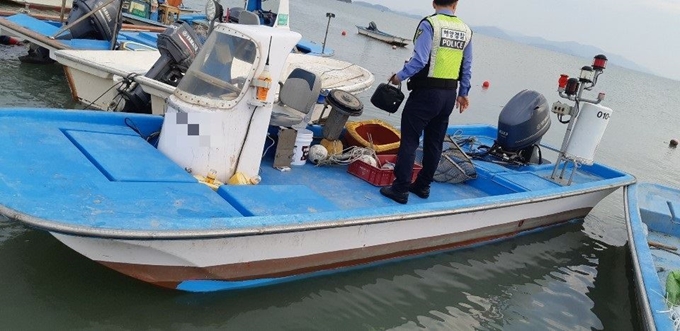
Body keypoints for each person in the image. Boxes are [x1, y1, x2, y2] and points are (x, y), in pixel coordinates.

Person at [379, 0, 473, 204]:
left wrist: (398, 77)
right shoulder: (466, 30)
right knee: (434, 143)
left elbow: (420, 60)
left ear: (433, 3)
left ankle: (400, 188)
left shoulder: (429, 25)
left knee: (410, 140)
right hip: (449, 95)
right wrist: (463, 92)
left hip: (426, 94)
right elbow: (466, 66)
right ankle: (422, 186)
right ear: (456, 4)